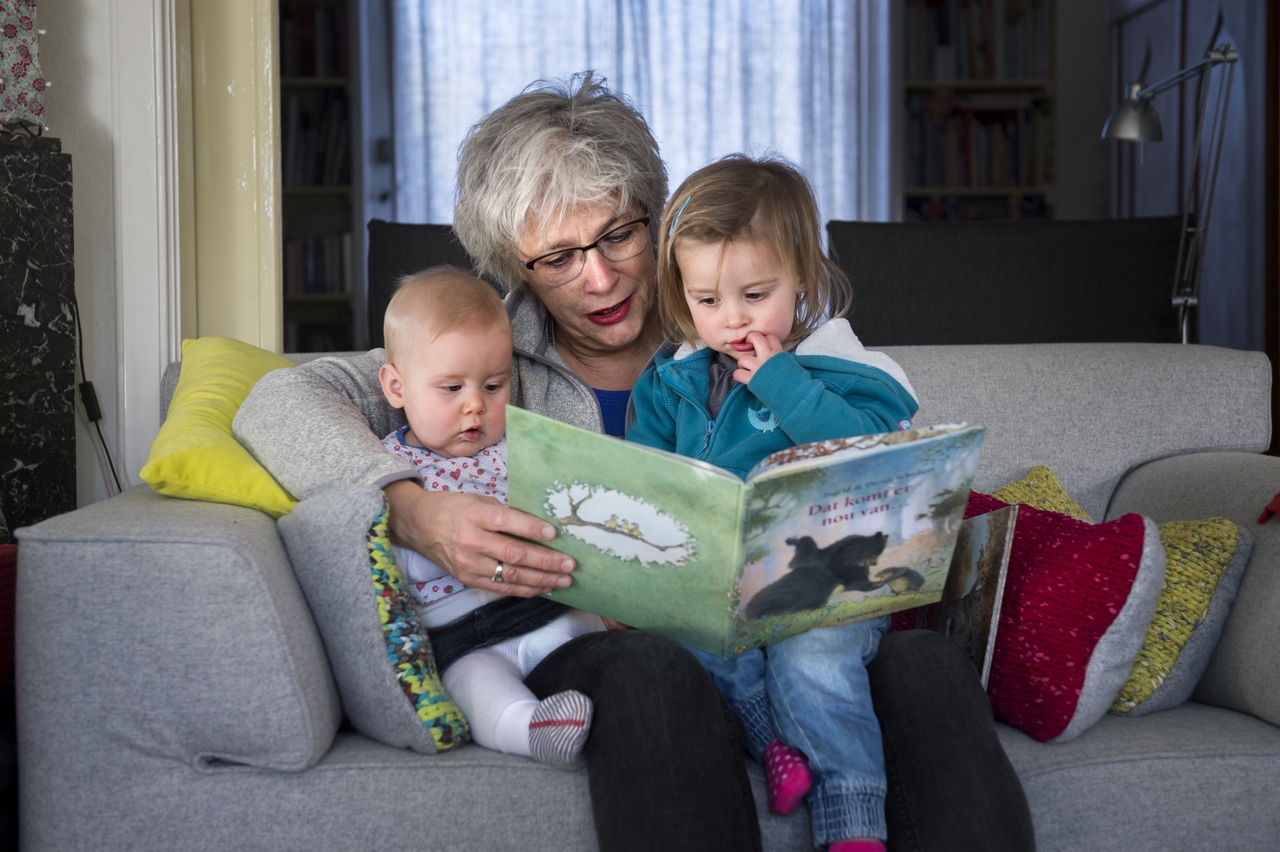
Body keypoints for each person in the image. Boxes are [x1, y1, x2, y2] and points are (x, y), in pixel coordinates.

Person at [234, 71, 1035, 852]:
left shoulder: (733, 320)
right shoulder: (477, 354)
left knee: (926, 663)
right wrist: (410, 508)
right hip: (592, 637)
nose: (602, 273)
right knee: (654, 666)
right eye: (559, 257)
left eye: (619, 233)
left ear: (657, 219)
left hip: (792, 614)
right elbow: (273, 403)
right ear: (516, 266)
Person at [627, 155, 916, 852]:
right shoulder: (671, 381)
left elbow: (878, 454)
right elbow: (648, 480)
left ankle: (853, 826)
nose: (730, 321)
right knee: (676, 640)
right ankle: (771, 743)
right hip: (721, 588)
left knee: (811, 658)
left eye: (755, 296)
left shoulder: (846, 369)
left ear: (804, 278)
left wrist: (786, 385)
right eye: (706, 301)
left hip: (831, 586)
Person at [377, 267, 606, 768]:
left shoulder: (519, 451)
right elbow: (379, 552)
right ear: (396, 387)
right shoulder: (388, 468)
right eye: (451, 387)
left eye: (493, 385)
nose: (475, 406)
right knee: (473, 688)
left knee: (596, 627)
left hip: (537, 610)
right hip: (456, 635)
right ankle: (532, 730)